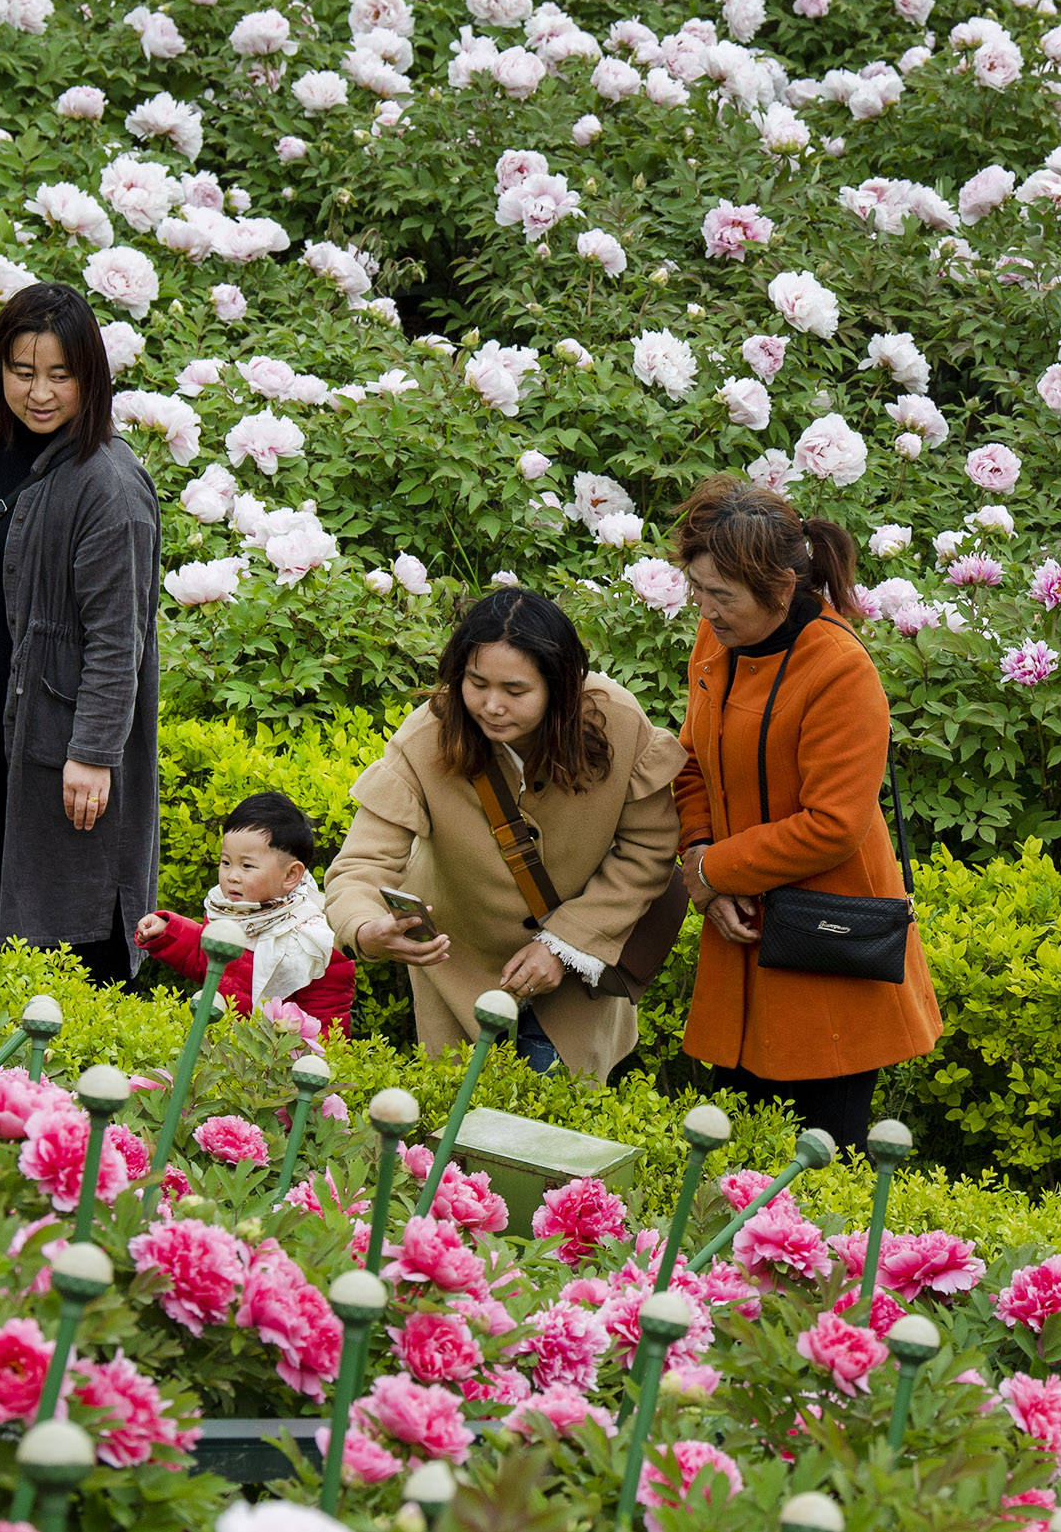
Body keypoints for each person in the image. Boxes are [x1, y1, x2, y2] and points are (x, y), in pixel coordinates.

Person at [669, 476, 940, 1150]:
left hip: (829, 947)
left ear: (782, 588)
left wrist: (713, 870)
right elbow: (690, 760)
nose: (705, 609)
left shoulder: (840, 670)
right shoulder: (717, 640)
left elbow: (834, 824)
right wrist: (703, 867)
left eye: (721, 595)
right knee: (733, 1162)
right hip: (744, 935)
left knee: (820, 1169)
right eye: (698, 589)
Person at [321, 587, 684, 1083]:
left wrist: (564, 945)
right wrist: (366, 927)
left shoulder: (615, 723)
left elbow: (649, 849)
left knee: (559, 1139)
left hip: (576, 982)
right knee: (460, 1140)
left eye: (516, 691)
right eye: (476, 683)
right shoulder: (426, 737)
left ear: (561, 686)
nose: (492, 706)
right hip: (459, 980)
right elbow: (360, 865)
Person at [0, 283, 161, 979]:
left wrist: (94, 752)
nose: (39, 393)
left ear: (91, 378)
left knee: (62, 907)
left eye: (60, 375)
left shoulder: (110, 487)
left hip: (60, 735)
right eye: (22, 372)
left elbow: (118, 639)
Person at [136, 792, 357, 1034]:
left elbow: (325, 1025)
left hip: (270, 1060)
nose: (232, 876)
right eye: (226, 862)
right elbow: (207, 961)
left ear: (291, 875)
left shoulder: (315, 941)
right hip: (218, 1047)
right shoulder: (229, 910)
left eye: (247, 866)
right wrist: (168, 930)